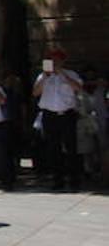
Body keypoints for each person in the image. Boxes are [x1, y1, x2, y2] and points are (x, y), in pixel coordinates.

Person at [34, 48, 84, 190]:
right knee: (53, 148)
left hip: (67, 114)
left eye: (57, 60)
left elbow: (78, 88)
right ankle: (57, 180)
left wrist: (62, 74)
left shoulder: (71, 74)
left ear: (62, 61)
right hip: (50, 115)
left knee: (71, 148)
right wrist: (45, 76)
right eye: (52, 60)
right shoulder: (43, 76)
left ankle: (74, 180)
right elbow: (35, 92)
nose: (54, 62)